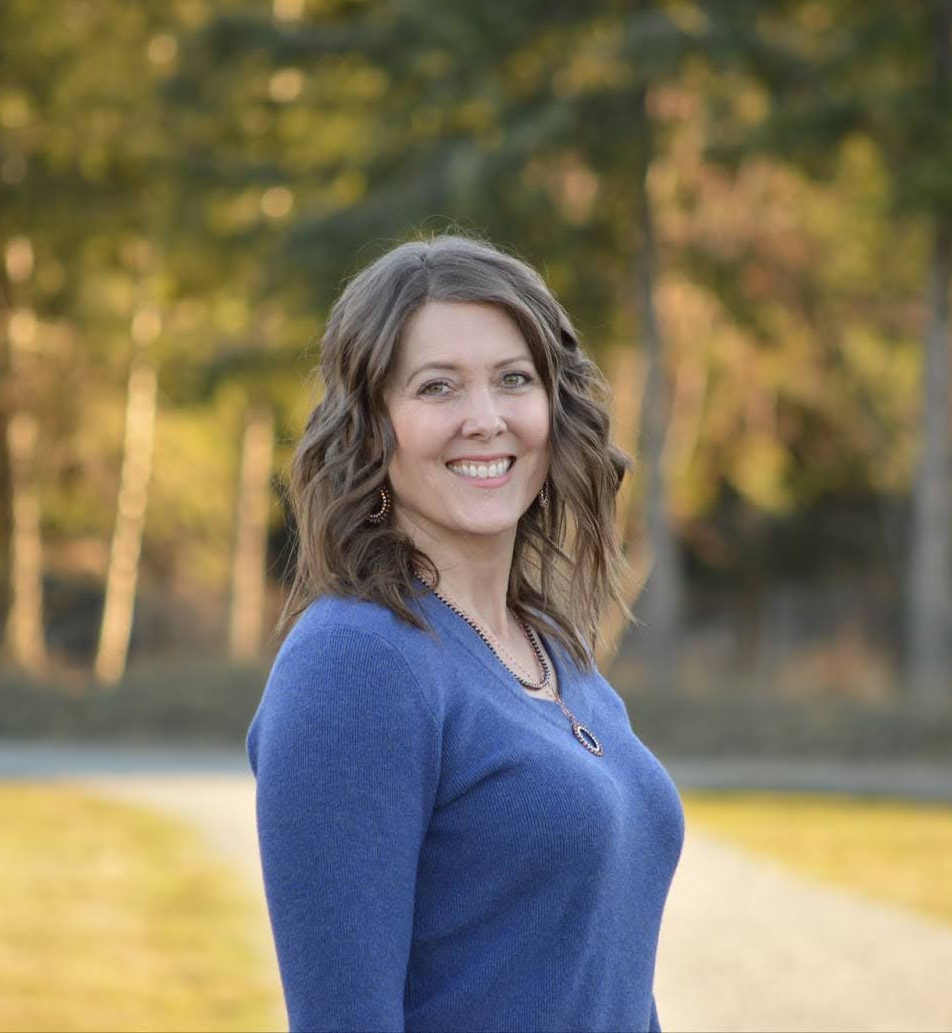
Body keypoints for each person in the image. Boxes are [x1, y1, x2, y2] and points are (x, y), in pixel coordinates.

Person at [247, 234, 685, 1031]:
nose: (484, 420)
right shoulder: (356, 661)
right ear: (373, 428)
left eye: (514, 380)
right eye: (438, 388)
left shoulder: (555, 652)